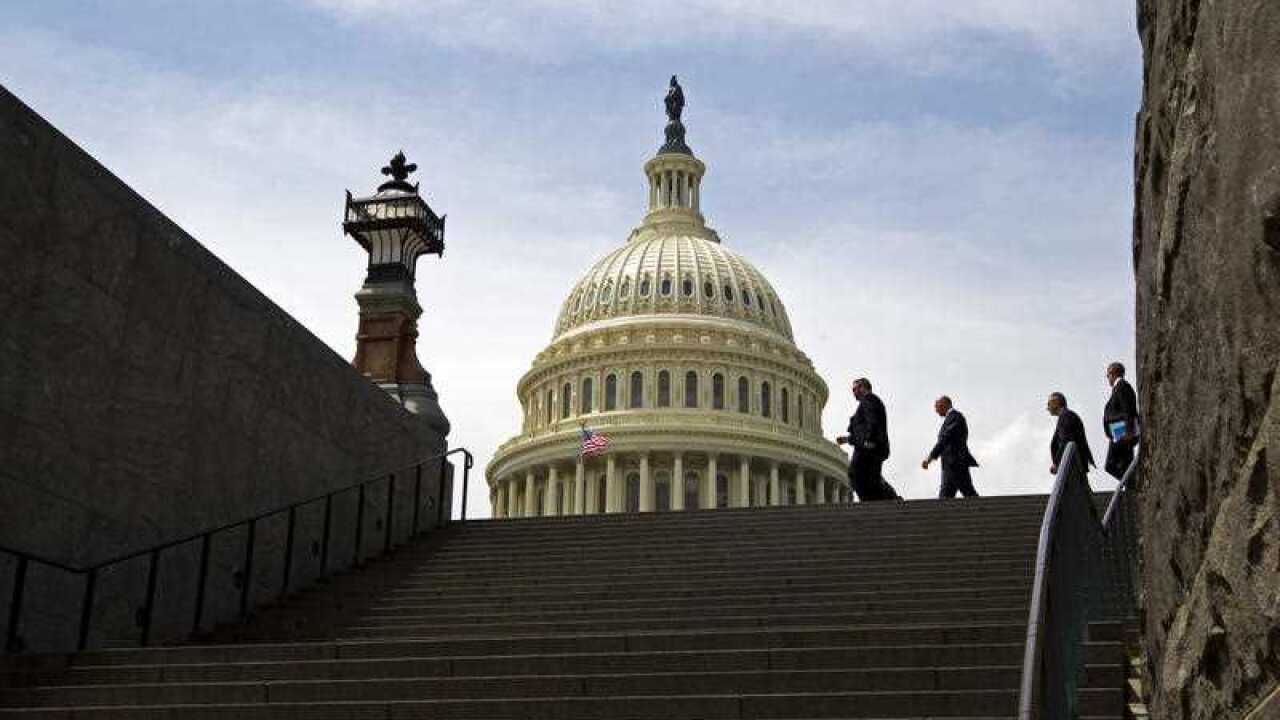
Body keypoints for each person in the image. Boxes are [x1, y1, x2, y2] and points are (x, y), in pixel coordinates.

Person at [837, 378, 899, 501]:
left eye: (855, 389)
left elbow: (873, 421)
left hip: (868, 447)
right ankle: (887, 499)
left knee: (858, 475)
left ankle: (881, 500)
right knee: (870, 478)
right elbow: (862, 429)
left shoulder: (869, 399)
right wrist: (847, 439)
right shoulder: (868, 402)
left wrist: (870, 440)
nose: (853, 393)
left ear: (863, 387)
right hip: (867, 446)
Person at [921, 396, 979, 498]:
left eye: (937, 407)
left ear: (945, 404)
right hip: (950, 465)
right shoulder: (950, 419)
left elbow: (945, 439)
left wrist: (930, 458)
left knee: (968, 493)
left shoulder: (955, 417)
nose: (936, 411)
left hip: (956, 463)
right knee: (947, 497)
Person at [1102, 361, 1140, 479]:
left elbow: (1127, 409)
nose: (1107, 378)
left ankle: (1133, 484)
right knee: (1126, 463)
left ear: (1113, 373)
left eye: (1108, 375)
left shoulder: (1122, 386)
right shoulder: (1119, 388)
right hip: (1120, 430)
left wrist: (1128, 431)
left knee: (1110, 465)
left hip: (1121, 430)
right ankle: (1132, 485)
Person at [1046, 392, 1095, 476]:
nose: (1047, 408)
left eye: (1049, 404)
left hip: (1072, 465)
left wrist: (1057, 463)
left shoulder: (1066, 416)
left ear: (1056, 402)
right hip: (1072, 464)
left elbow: (1066, 441)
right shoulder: (1065, 416)